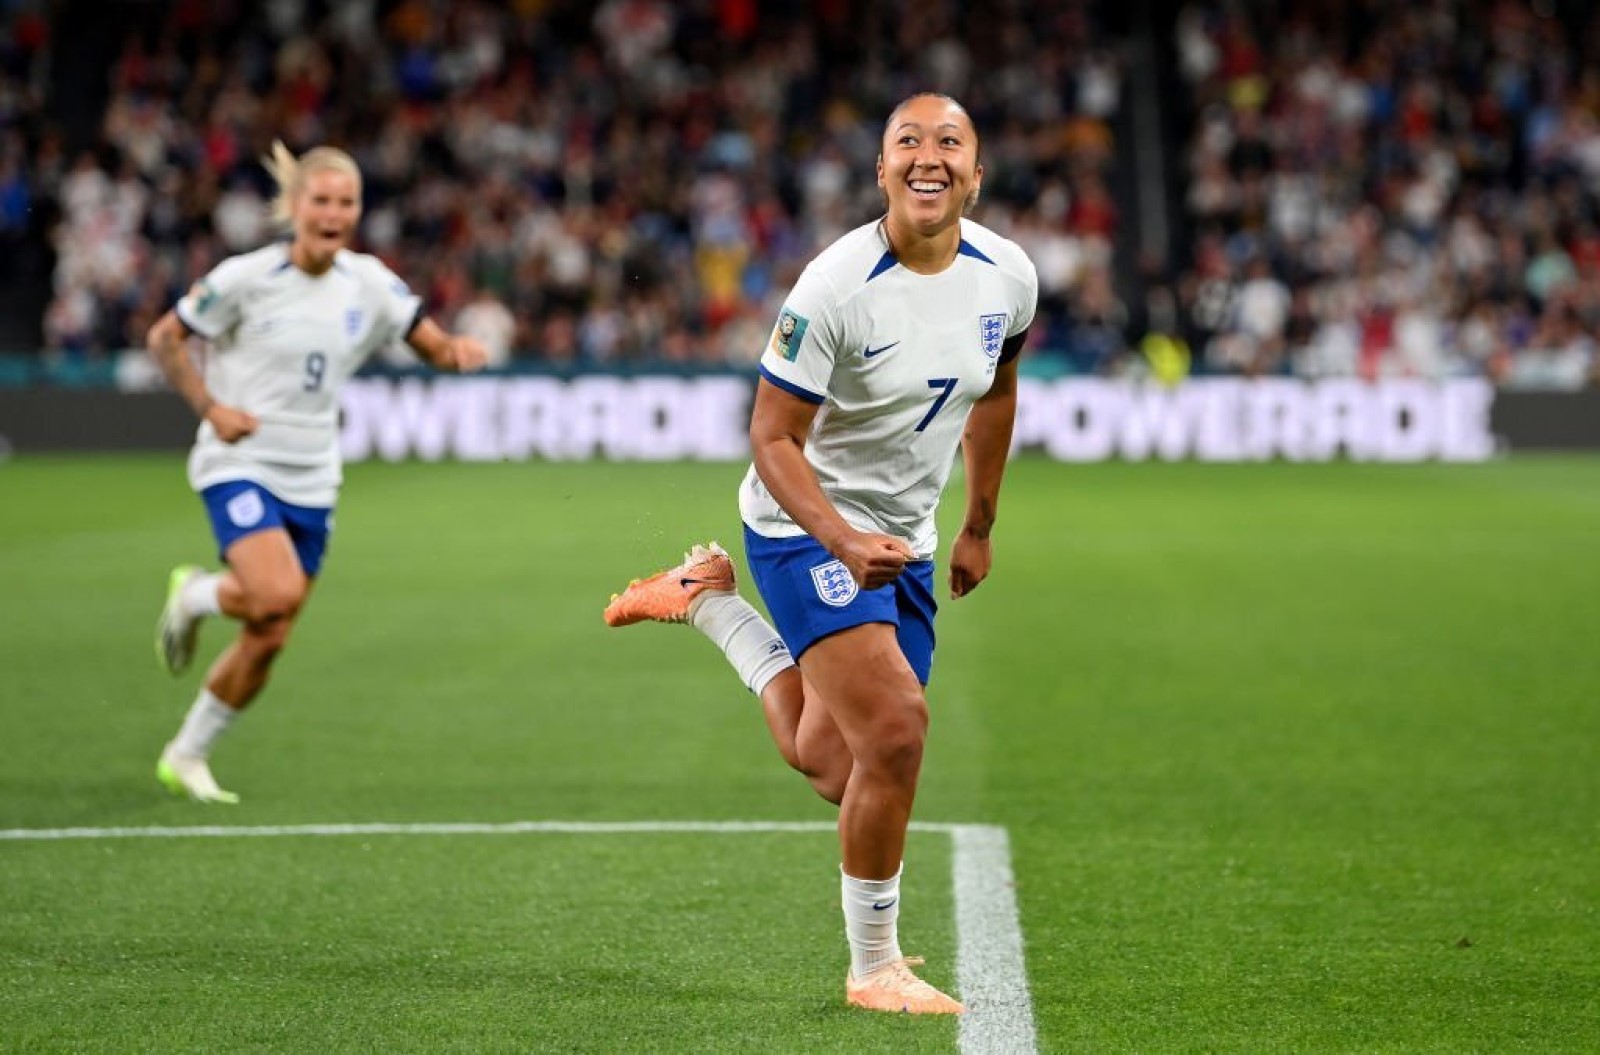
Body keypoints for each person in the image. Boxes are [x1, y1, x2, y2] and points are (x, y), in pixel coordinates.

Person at [605, 93, 1037, 1014]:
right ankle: (874, 965)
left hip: (904, 542)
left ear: (977, 170)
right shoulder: (835, 285)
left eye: (950, 141)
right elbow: (770, 437)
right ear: (881, 171)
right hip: (805, 525)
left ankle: (707, 600)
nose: (930, 157)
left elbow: (996, 393)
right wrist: (840, 535)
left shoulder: (1009, 275)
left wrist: (980, 523)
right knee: (895, 734)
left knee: (834, 763)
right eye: (908, 143)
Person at [148, 142, 488, 803]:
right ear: (295, 207)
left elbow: (433, 343)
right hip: (239, 461)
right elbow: (165, 337)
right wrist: (211, 408)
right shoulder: (246, 277)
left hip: (313, 476)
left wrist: (458, 353)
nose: (334, 213)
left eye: (346, 202)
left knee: (271, 632)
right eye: (322, 200)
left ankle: (185, 754)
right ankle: (193, 597)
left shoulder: (369, 283)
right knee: (273, 594)